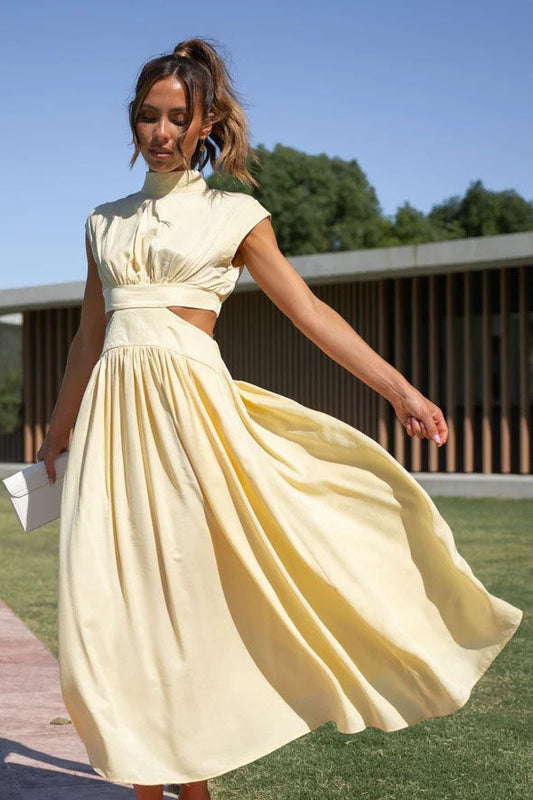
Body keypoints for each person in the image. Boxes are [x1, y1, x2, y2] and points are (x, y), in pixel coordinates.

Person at [37, 37, 523, 800]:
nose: (159, 133)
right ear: (132, 122)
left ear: (204, 125)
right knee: (112, 606)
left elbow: (308, 313)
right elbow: (85, 341)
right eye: (145, 117)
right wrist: (59, 428)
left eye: (176, 118)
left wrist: (397, 388)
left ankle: (185, 780)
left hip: (195, 426)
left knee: (186, 604)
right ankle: (151, 780)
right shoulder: (103, 222)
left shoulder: (235, 214)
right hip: (112, 428)